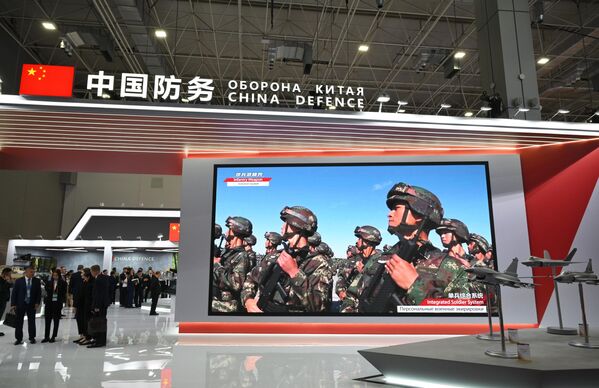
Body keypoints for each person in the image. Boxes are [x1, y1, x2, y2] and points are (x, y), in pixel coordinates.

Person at [362, 183, 478, 312]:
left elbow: (465, 313)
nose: (389, 214)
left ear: (419, 213)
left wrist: (414, 285)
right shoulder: (378, 259)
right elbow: (353, 297)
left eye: (396, 208)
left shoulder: (452, 267)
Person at [242, 206, 333, 313]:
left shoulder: (318, 263)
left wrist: (294, 273)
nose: (282, 226)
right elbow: (251, 279)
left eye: (286, 222)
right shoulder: (275, 255)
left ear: (297, 225)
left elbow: (319, 306)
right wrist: (248, 301)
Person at [212, 216, 253, 313]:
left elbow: (237, 284)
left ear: (234, 230)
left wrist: (217, 266)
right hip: (218, 296)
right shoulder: (230, 252)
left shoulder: (242, 255)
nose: (226, 232)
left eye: (229, 229)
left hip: (227, 303)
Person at [339, 226, 383, 313]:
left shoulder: (380, 261)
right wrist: (340, 290)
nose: (357, 241)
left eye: (359, 238)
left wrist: (363, 271)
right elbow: (342, 276)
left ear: (366, 241)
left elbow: (378, 288)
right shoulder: (355, 259)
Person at [10, 266, 42, 345]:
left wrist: (37, 302)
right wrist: (13, 304)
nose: (33, 273)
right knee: (19, 322)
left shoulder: (37, 281)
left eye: (33, 272)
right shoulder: (18, 281)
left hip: (31, 305)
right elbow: (14, 293)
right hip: (20, 304)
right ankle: (18, 339)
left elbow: (39, 293)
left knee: (32, 322)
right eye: (31, 272)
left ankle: (32, 338)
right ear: (26, 272)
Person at [42, 269, 67, 343]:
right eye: (53, 275)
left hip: (57, 303)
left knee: (56, 320)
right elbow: (46, 291)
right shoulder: (49, 282)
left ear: (59, 275)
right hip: (49, 303)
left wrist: (62, 303)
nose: (55, 277)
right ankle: (46, 336)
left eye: (56, 275)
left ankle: (53, 336)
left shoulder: (63, 283)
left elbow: (63, 294)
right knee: (47, 320)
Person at [88, 265, 110, 348]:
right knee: (101, 322)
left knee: (99, 322)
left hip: (100, 305)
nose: (91, 273)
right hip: (103, 304)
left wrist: (96, 306)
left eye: (91, 271)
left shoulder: (99, 279)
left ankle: (99, 342)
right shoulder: (104, 278)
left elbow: (98, 295)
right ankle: (100, 340)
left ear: (95, 271)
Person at [76, 268, 94, 345]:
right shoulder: (84, 282)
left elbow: (90, 295)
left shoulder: (91, 283)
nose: (81, 274)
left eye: (82, 273)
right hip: (82, 305)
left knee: (87, 322)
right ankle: (84, 336)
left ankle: (88, 337)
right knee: (82, 321)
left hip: (87, 305)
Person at [0, 267, 13, 337]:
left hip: (3, 300)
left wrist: (9, 281)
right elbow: (1, 289)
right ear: (6, 273)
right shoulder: (1, 280)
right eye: (10, 273)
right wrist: (7, 282)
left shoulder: (5, 280)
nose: (10, 275)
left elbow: (12, 285)